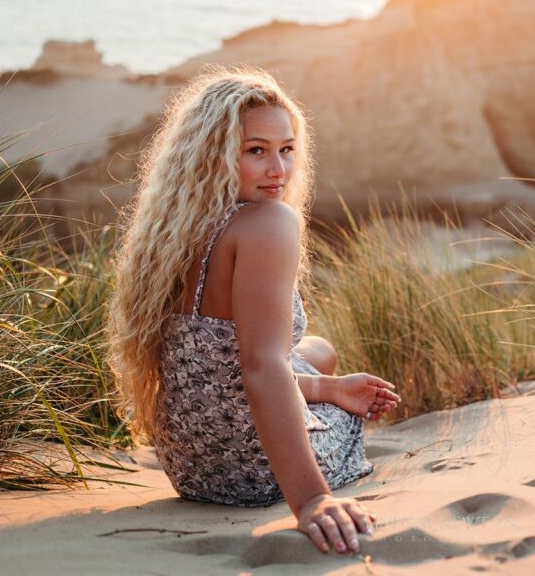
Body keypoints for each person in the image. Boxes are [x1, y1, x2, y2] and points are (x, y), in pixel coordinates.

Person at [106, 65, 400, 556]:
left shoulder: (175, 229)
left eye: (286, 150)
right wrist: (312, 501)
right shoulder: (268, 224)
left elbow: (211, 364)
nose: (278, 171)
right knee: (291, 359)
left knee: (319, 351)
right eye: (255, 151)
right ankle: (317, 421)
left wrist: (324, 387)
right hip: (250, 470)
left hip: (191, 463)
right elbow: (261, 365)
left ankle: (323, 388)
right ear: (213, 156)